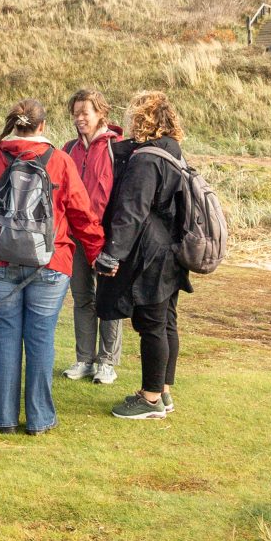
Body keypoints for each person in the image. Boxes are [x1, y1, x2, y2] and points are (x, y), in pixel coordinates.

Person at [0, 97, 104, 435]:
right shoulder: (61, 161)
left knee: (5, 337)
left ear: (14, 124)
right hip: (51, 262)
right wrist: (97, 255)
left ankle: (4, 418)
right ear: (42, 126)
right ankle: (39, 419)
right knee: (41, 338)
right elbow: (83, 215)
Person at [93, 90, 192, 421]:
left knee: (151, 324)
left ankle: (149, 399)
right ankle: (162, 391)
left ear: (142, 120)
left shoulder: (147, 159)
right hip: (171, 248)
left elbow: (132, 212)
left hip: (151, 252)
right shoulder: (172, 152)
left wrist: (111, 254)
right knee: (165, 323)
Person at [60, 88, 124, 385]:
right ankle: (85, 359)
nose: (79, 118)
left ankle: (107, 362)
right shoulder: (69, 148)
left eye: (85, 112)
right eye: (75, 113)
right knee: (82, 298)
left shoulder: (118, 148)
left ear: (101, 113)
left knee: (108, 299)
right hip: (76, 238)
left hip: (107, 238)